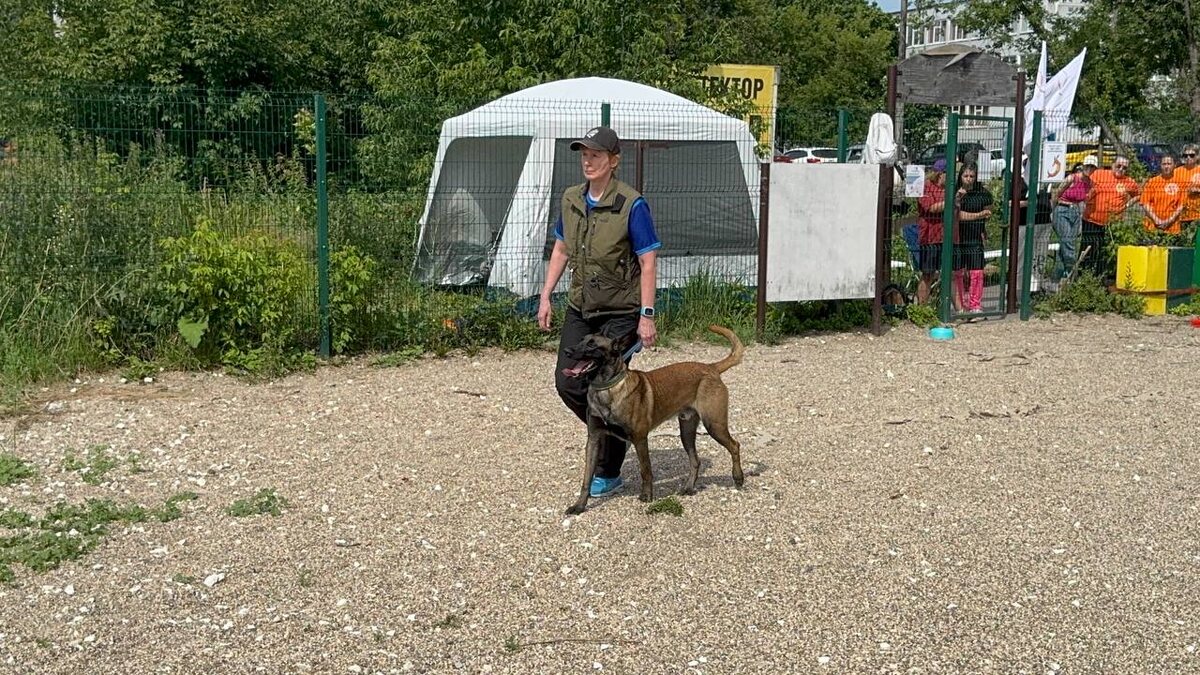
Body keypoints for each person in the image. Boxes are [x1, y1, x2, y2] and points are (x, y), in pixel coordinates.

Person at [537, 126, 661, 499]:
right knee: (568, 381)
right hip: (581, 306)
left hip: (620, 310)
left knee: (612, 386)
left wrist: (647, 314)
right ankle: (615, 434)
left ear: (613, 161)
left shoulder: (631, 204)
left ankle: (608, 468)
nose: (588, 161)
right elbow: (560, 250)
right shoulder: (571, 199)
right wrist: (546, 295)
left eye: (596, 155)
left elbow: (649, 261)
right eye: (584, 155)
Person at [1082, 156, 1139, 281]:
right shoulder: (1099, 174)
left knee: (1104, 252)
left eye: (1124, 168)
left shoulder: (1129, 181)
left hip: (1112, 224)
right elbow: (1085, 186)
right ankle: (1084, 278)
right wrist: (1087, 197)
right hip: (1091, 220)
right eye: (1118, 166)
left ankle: (1101, 278)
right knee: (1088, 250)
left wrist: (1127, 205)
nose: (1121, 169)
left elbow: (1138, 195)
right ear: (1112, 164)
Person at [916, 159, 963, 310]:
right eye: (948, 174)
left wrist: (955, 202)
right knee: (928, 274)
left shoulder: (949, 189)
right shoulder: (925, 188)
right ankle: (922, 309)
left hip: (947, 236)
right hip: (929, 238)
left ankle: (959, 309)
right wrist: (952, 201)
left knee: (950, 274)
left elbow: (955, 211)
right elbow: (931, 208)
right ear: (940, 174)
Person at [953, 162, 993, 312]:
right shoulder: (956, 193)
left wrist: (983, 217)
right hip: (958, 237)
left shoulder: (983, 194)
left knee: (977, 271)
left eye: (972, 176)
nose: (968, 179)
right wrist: (979, 215)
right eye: (966, 176)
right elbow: (958, 216)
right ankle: (961, 305)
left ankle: (975, 304)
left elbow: (989, 212)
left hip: (975, 236)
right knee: (958, 272)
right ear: (961, 176)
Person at [1048, 157, 1095, 281]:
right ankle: (1073, 273)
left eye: (1092, 167)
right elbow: (1057, 193)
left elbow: (1085, 199)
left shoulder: (1089, 183)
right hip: (1062, 209)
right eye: (1087, 166)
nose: (1089, 169)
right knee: (1068, 242)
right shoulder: (1071, 178)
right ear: (1083, 166)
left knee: (1066, 244)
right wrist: (1052, 212)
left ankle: (1057, 277)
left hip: (1075, 212)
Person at [1139, 154, 1184, 236]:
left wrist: (1169, 220)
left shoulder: (1180, 182)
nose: (1166, 166)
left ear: (1174, 165)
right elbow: (1145, 203)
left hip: (1172, 228)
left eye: (1169, 164)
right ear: (1160, 165)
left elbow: (1181, 205)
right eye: (1164, 164)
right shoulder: (1152, 182)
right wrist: (1157, 220)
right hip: (1152, 227)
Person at [1173, 143, 1200, 235]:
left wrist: (1198, 191)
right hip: (1181, 214)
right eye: (1185, 155)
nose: (1188, 158)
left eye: (1191, 155)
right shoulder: (1176, 172)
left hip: (1197, 214)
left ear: (1197, 156)